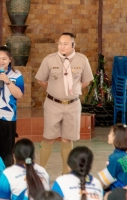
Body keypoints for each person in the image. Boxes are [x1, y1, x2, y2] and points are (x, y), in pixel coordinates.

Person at [35, 32, 93, 174]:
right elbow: (40, 80)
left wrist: (73, 91)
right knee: (48, 138)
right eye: (60, 43)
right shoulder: (50, 60)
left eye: (65, 44)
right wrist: (55, 91)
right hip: (53, 104)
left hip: (73, 105)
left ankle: (65, 173)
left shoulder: (82, 59)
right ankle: (41, 171)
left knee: (67, 139)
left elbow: (86, 81)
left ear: (73, 45)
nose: (61, 46)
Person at [98, 123, 127, 191]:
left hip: (120, 193)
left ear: (115, 137)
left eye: (110, 133)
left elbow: (105, 182)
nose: (108, 135)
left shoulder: (114, 158)